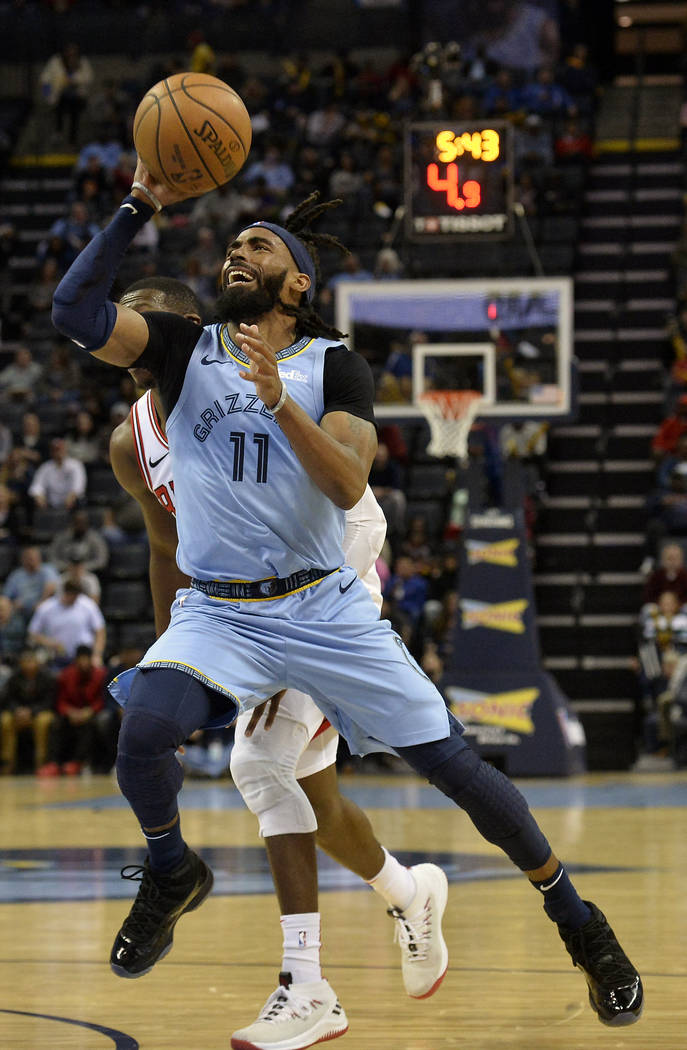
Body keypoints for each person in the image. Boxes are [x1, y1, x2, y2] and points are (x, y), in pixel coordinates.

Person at [52, 169, 643, 1046]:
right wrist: (140, 201)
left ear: (299, 284)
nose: (236, 251)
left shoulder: (334, 365)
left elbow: (347, 480)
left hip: (326, 601)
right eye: (230, 244)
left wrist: (280, 402)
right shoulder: (183, 351)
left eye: (260, 244)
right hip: (223, 613)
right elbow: (74, 310)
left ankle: (579, 923)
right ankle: (180, 875)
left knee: (454, 771)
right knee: (144, 737)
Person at [108, 275, 450, 1012]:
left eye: (147, 329)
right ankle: (411, 893)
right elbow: (166, 548)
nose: (133, 345)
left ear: (190, 332)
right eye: (123, 330)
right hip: (229, 608)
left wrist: (290, 644)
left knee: (259, 763)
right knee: (316, 804)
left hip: (331, 581)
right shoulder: (130, 442)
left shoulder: (261, 389)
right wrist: (179, 658)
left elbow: (355, 514)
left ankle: (305, 985)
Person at [0, 648, 56, 774]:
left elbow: (49, 701)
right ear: (21, 663)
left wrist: (31, 711)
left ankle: (41, 761)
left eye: (31, 661)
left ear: (37, 663)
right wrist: (17, 711)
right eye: (26, 662)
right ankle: (8, 762)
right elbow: (7, 699)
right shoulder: (14, 677)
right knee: (4, 720)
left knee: (43, 722)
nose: (29, 665)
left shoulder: (46, 677)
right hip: (18, 714)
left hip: (39, 712)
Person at [27, 580, 105, 668]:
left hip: (83, 658)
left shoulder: (88, 605)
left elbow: (100, 631)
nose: (74, 598)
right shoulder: (46, 608)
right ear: (64, 592)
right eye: (71, 595)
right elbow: (32, 634)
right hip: (56, 658)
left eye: (76, 595)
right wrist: (50, 643)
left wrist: (97, 655)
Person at [3, 545, 60, 623]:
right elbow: (6, 596)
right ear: (23, 559)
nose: (32, 560)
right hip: (20, 612)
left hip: (43, 609)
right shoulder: (16, 575)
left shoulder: (47, 569)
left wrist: (41, 602)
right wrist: (12, 604)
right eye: (29, 558)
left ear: (39, 558)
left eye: (34, 557)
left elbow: (51, 586)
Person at [28, 437, 87, 510]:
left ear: (65, 450)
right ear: (51, 452)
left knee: (79, 504)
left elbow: (78, 487)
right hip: (50, 504)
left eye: (60, 449)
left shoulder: (75, 465)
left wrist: (71, 497)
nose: (58, 453)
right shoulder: (45, 467)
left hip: (72, 503)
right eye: (55, 450)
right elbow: (37, 486)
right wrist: (39, 497)